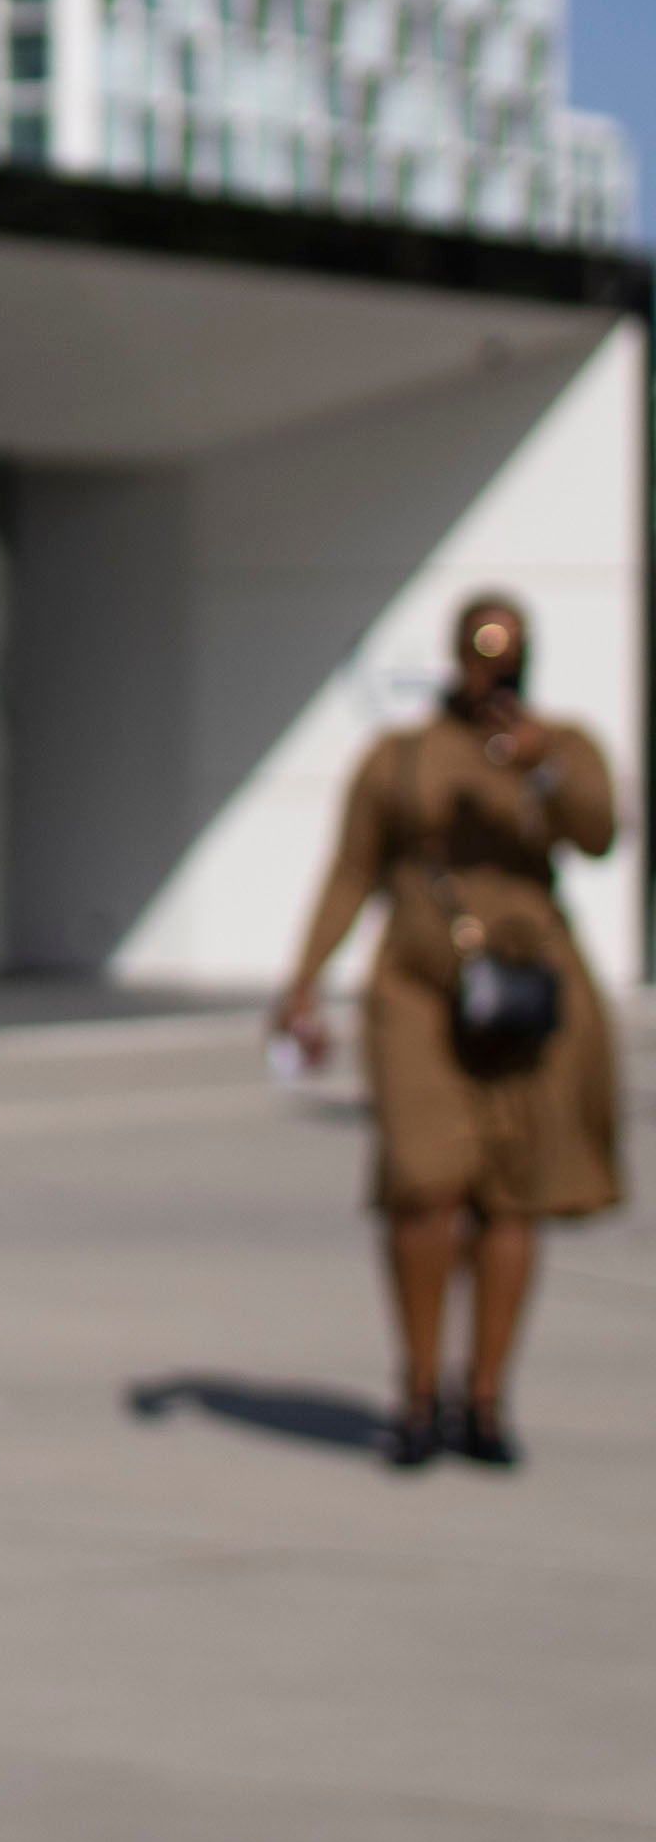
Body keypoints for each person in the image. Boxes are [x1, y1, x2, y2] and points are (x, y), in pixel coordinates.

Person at [276, 594, 621, 1470]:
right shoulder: (397, 760)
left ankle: (487, 1399)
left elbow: (600, 833)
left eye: (506, 659)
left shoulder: (561, 748)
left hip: (531, 997)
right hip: (420, 994)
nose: (490, 675)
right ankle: (418, 1394)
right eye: (478, 656)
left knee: (513, 1195)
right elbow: (352, 871)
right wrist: (303, 982)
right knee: (426, 1187)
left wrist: (540, 769)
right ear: (454, 657)